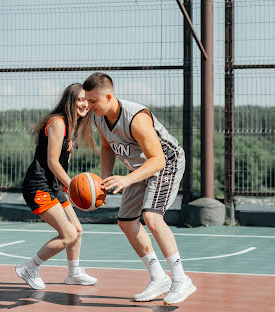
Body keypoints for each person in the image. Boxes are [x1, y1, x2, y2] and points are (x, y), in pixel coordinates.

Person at [83, 72, 196, 305]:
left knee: (152, 218)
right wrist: (104, 180)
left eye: (93, 101)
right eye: (87, 100)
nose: (88, 105)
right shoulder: (99, 117)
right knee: (126, 222)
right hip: (137, 168)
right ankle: (158, 277)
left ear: (109, 96)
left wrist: (126, 180)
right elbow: (107, 147)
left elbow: (158, 160)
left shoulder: (136, 118)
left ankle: (181, 279)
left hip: (166, 163)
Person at [16, 83, 98, 290]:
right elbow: (52, 162)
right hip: (38, 186)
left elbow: (61, 165)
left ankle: (73, 273)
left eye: (87, 100)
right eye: (80, 99)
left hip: (53, 186)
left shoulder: (73, 128)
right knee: (68, 234)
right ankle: (29, 268)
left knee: (77, 230)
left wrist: (74, 190)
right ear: (70, 101)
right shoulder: (57, 123)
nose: (84, 104)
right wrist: (73, 187)